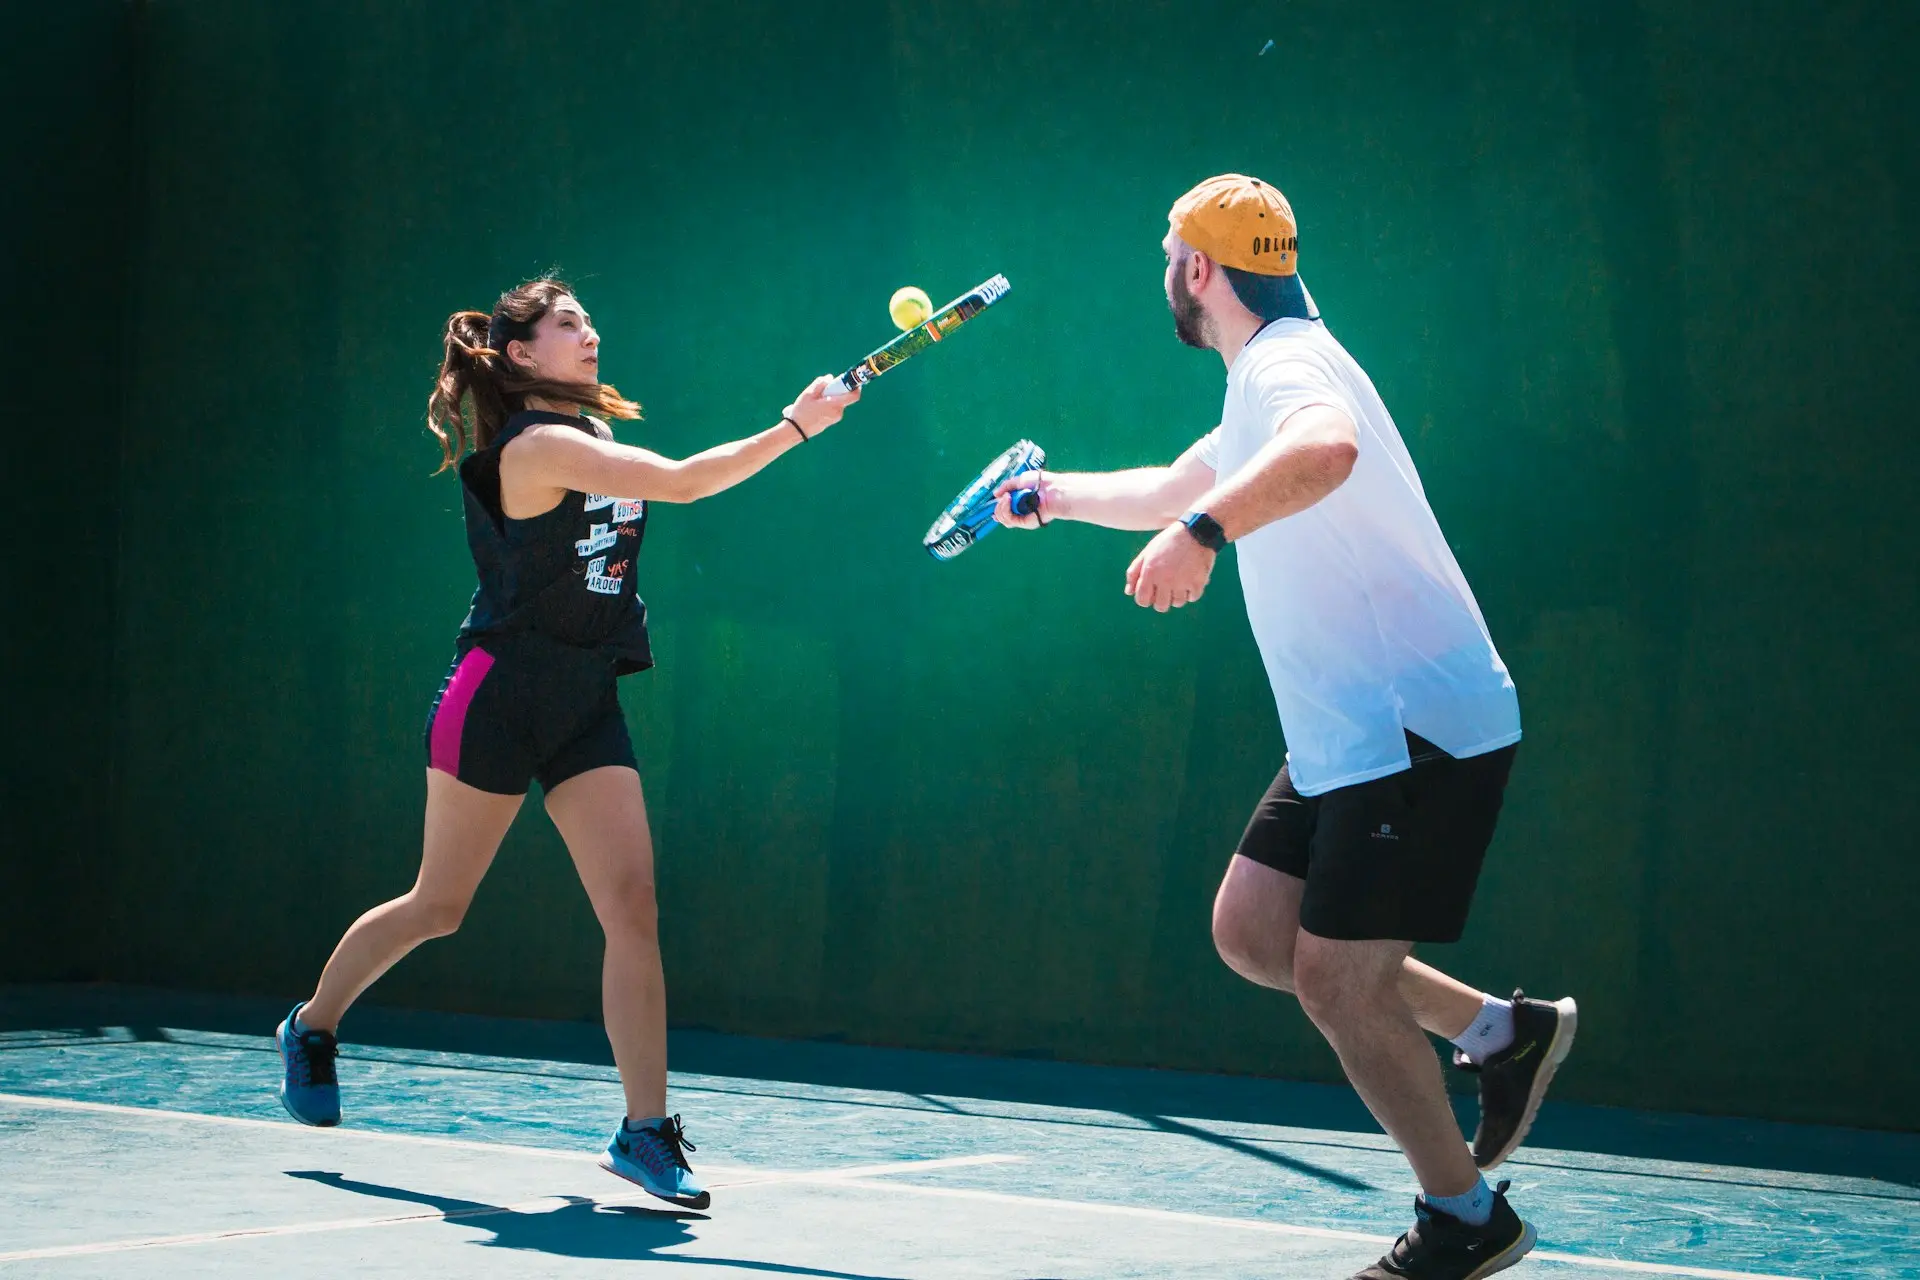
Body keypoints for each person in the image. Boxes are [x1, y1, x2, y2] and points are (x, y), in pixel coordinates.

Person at [991, 175, 1575, 1280]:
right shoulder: (1259, 380)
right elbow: (1176, 480)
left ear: (1199, 270)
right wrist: (1054, 493)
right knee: (1256, 930)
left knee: (1337, 980)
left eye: (1171, 256)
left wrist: (1203, 534)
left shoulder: (1289, 366)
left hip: (1413, 727)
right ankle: (1505, 1030)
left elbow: (1326, 451)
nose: (1167, 275)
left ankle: (1464, 1214)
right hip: (1349, 730)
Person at [273, 277, 858, 1210]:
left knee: (633, 906)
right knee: (439, 906)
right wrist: (794, 426)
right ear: (520, 355)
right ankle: (313, 1023)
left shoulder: (592, 438)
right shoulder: (539, 447)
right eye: (567, 324)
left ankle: (644, 1130)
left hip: (586, 697)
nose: (590, 334)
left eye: (588, 319)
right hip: (498, 697)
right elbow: (683, 484)